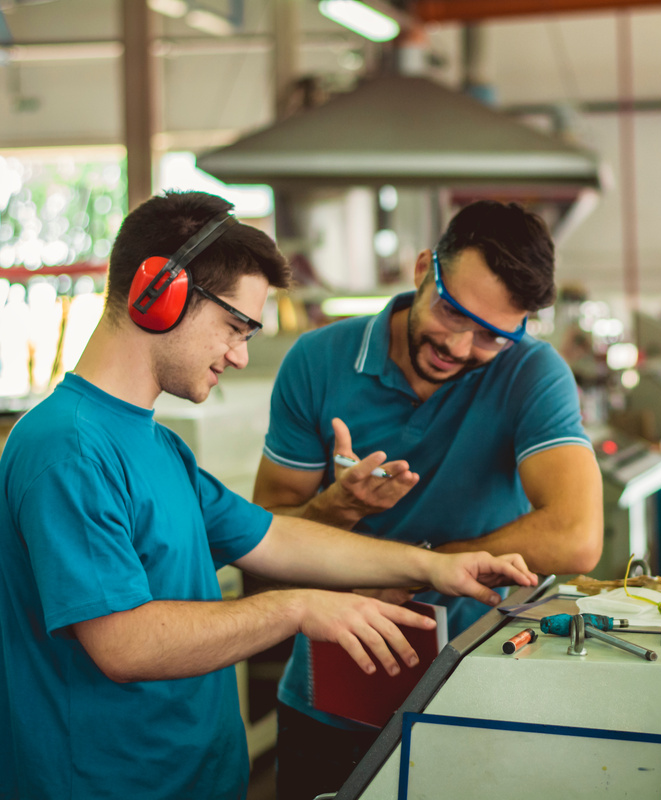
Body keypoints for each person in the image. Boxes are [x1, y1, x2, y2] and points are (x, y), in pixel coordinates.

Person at [0, 190, 537, 800]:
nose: (241, 354)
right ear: (159, 291)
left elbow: (275, 536)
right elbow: (125, 644)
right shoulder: (68, 449)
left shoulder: (160, 447)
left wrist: (437, 565)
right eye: (233, 325)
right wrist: (299, 609)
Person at [253, 200, 605, 798]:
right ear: (422, 269)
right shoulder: (317, 363)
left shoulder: (530, 372)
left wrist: (422, 570)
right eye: (451, 311)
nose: (461, 347)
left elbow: (576, 534)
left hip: (481, 687)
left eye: (493, 335)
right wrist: (335, 510)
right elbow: (261, 537)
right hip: (334, 693)